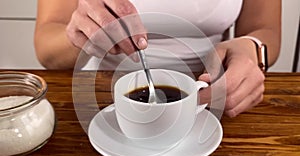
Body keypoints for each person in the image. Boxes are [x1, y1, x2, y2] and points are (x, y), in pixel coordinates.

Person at [34, 0, 281, 117]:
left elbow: (265, 29)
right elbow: (47, 49)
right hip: (104, 97)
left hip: (214, 97)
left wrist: (252, 46)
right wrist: (80, 35)